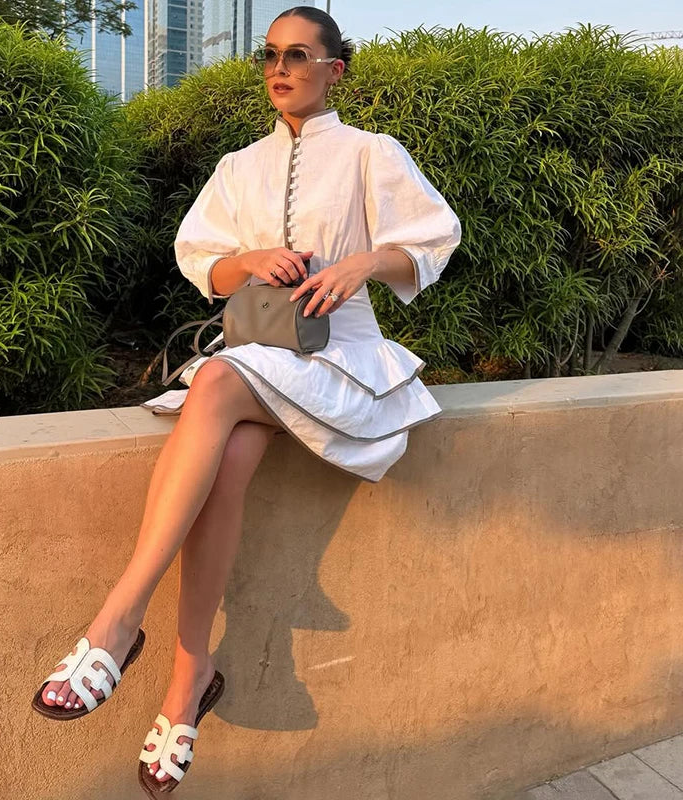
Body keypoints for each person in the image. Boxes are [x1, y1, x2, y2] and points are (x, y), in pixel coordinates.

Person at [31, 5, 461, 796]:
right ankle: (189, 682)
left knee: (220, 383)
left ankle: (117, 620)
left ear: (336, 69)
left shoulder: (372, 152)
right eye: (270, 53)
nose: (279, 66)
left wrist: (362, 263)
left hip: (344, 357)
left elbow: (434, 240)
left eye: (299, 54)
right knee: (227, 456)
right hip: (262, 350)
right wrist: (251, 260)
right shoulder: (237, 166)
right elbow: (202, 262)